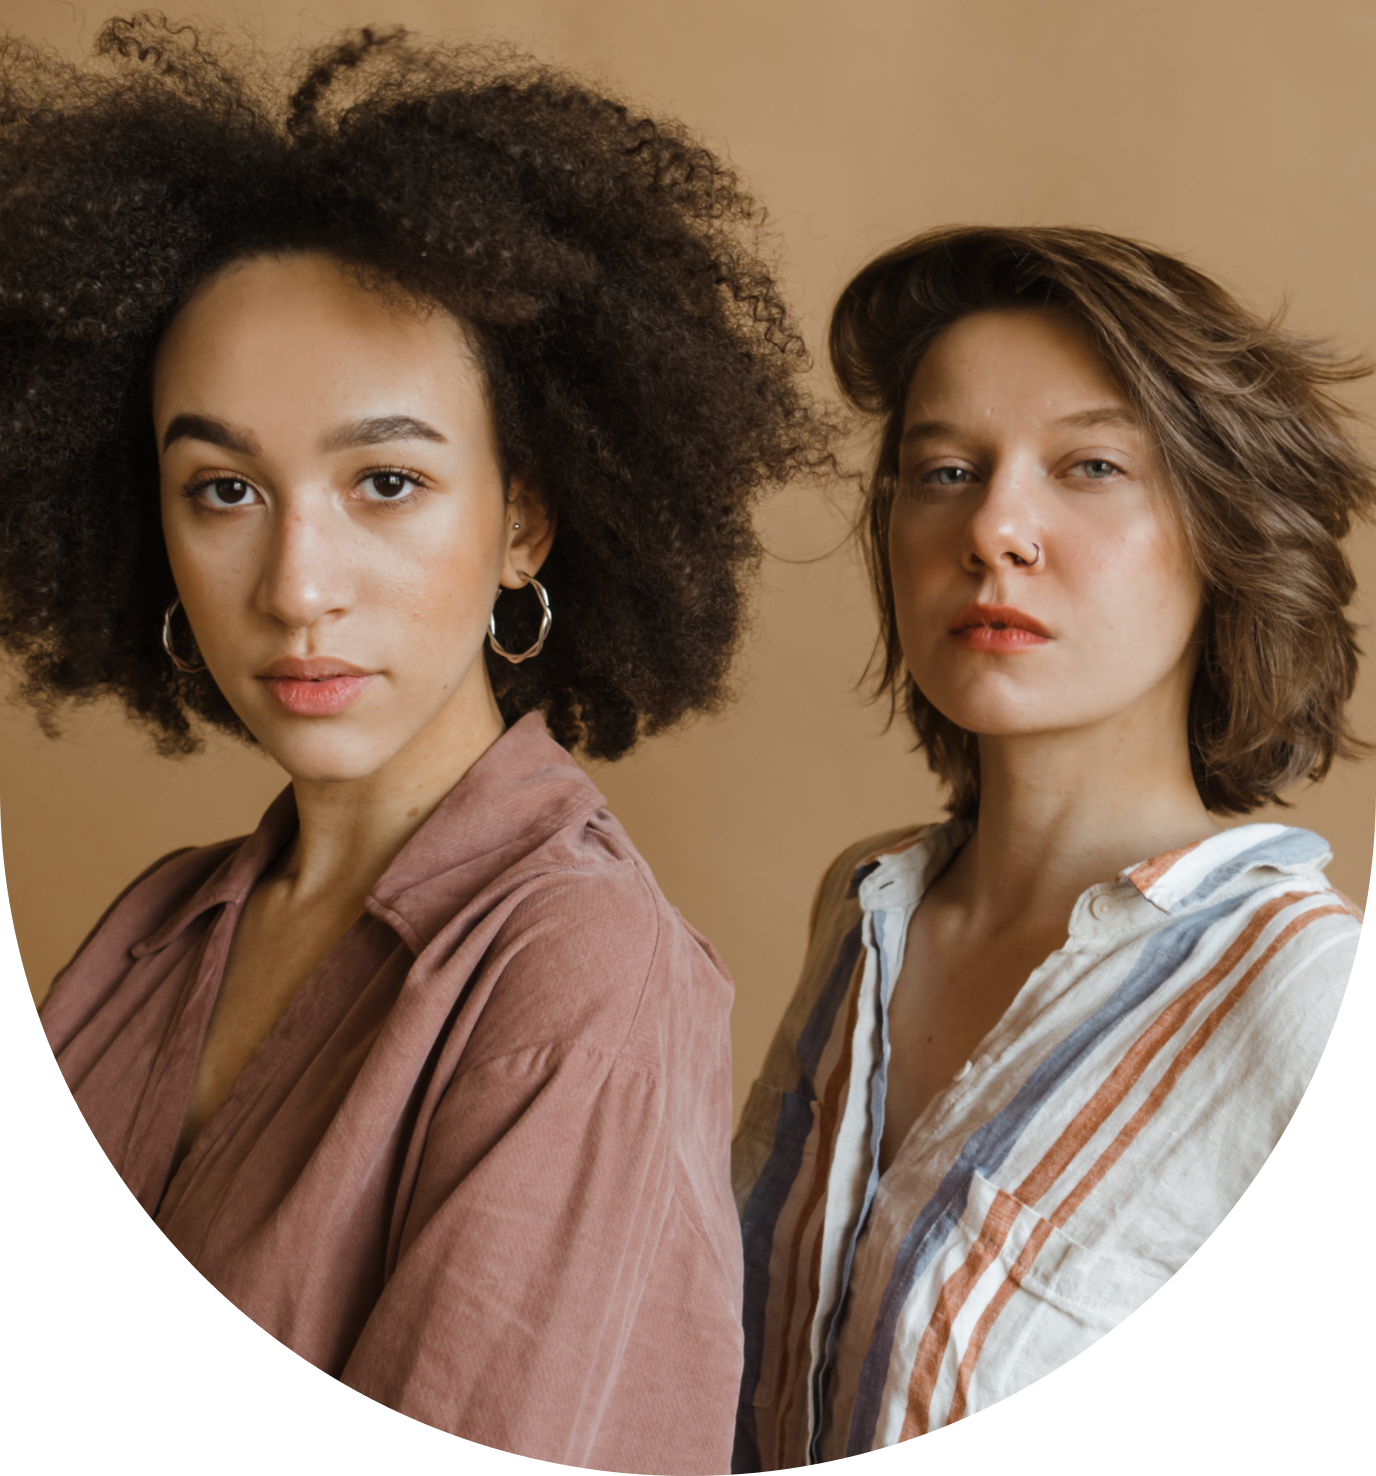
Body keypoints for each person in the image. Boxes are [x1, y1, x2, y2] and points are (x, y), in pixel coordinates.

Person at [4, 16, 827, 1475]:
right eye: (222, 490)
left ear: (524, 520)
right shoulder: (152, 944)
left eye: (386, 480)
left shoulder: (575, 972)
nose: (298, 584)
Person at [731, 225, 1370, 1470]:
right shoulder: (863, 907)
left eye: (1086, 466)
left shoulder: (1314, 1002)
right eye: (942, 471)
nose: (993, 530)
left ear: (1220, 535)